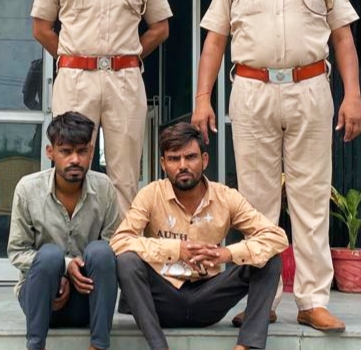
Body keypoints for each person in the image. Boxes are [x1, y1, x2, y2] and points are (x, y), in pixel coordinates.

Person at [192, 0, 361, 333]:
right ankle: (261, 300)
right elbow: (214, 41)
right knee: (256, 202)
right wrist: (202, 99)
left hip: (310, 88)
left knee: (312, 197)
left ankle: (312, 301)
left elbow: (343, 37)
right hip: (252, 91)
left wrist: (352, 96)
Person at [30, 0, 173, 216]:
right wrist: (70, 58)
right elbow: (41, 27)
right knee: (70, 165)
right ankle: (68, 242)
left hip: (124, 79)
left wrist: (130, 57)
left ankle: (122, 245)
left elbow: (160, 28)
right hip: (75, 78)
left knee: (125, 173)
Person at [110, 122, 288, 350]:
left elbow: (276, 237)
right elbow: (119, 242)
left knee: (269, 259)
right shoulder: (151, 195)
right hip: (162, 299)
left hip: (209, 297)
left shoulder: (226, 197)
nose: (182, 165)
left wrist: (227, 253)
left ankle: (246, 345)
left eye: (190, 157)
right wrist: (176, 250)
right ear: (163, 164)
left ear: (204, 160)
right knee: (126, 260)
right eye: (174, 159)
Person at [8, 111, 120, 350]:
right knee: (50, 255)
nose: (75, 159)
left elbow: (114, 247)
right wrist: (65, 267)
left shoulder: (105, 188)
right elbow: (17, 252)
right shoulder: (28, 189)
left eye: (82, 151)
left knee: (102, 251)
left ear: (91, 152)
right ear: (51, 152)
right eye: (66, 151)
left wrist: (78, 272)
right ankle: (36, 346)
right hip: (43, 300)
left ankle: (99, 346)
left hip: (88, 299)